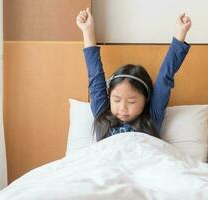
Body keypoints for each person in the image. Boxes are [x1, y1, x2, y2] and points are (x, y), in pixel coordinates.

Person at [76, 8, 192, 141]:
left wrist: (180, 35)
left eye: (131, 101)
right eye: (116, 100)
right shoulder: (102, 116)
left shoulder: (151, 118)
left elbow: (164, 78)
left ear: (146, 100)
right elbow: (95, 77)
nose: (122, 108)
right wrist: (87, 31)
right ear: (109, 97)